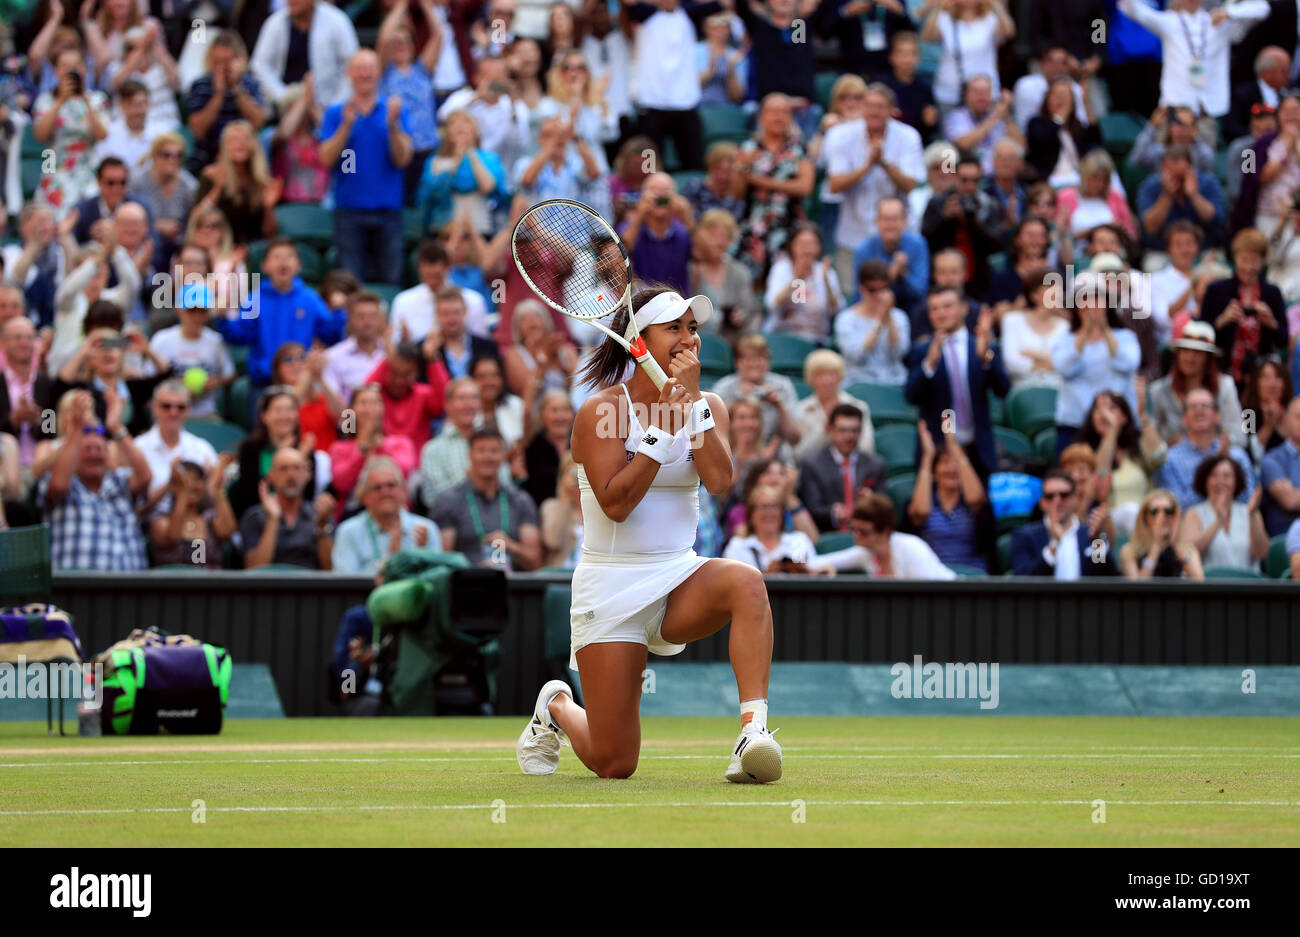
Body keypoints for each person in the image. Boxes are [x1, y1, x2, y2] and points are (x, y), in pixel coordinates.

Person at [515, 284, 784, 785]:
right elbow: (615, 505)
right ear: (638, 342)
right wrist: (662, 428)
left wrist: (693, 406)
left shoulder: (711, 406)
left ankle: (753, 733)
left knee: (746, 582)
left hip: (678, 576)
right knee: (616, 762)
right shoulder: (600, 412)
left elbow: (722, 482)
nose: (689, 340)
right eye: (674, 329)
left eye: (693, 329)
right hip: (611, 586)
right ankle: (555, 706)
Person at [213, 237, 346, 411]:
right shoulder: (255, 298)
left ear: (298, 265)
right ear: (265, 265)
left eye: (289, 257)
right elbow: (239, 336)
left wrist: (338, 313)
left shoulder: (310, 299)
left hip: (302, 383)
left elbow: (329, 336)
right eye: (276, 257)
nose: (283, 262)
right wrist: (223, 319)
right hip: (264, 384)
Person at [318, 49, 413, 285]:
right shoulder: (335, 112)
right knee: (350, 283)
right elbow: (326, 159)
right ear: (349, 73)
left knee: (391, 280)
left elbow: (402, 159)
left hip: (388, 211)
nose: (365, 74)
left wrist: (392, 125)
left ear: (379, 72)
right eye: (359, 68)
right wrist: (345, 126)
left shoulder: (395, 110)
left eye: (370, 67)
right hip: (348, 211)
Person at [38, 384, 151, 571]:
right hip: (76, 590)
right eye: (87, 449)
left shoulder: (118, 481)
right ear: (74, 455)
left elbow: (145, 477)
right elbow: (57, 486)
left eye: (99, 449)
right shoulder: (64, 483)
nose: (94, 454)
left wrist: (116, 426)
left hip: (131, 589)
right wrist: (76, 431)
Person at [1117, 0, 1268, 140]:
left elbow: (1263, 9)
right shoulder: (1170, 22)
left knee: (1204, 165)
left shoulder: (1218, 24)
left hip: (1206, 114)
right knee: (1171, 160)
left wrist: (1229, 13)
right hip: (1174, 112)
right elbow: (1130, 8)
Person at [825, 82, 924, 287]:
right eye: (869, 105)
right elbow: (834, 184)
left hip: (897, 238)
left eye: (880, 106)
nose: (874, 111)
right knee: (853, 297)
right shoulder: (840, 135)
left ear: (891, 110)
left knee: (898, 297)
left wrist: (884, 163)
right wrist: (867, 166)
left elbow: (911, 184)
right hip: (853, 236)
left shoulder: (908, 136)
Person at [906, 285, 1009, 479]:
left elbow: (1003, 389)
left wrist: (986, 357)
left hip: (977, 449)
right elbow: (911, 396)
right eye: (934, 308)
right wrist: (929, 365)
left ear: (964, 308)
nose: (941, 313)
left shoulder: (981, 345)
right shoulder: (922, 351)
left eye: (947, 306)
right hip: (939, 452)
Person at [1049, 274, 1141, 455]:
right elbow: (1065, 367)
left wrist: (1104, 327)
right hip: (1075, 424)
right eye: (1084, 300)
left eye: (1096, 299)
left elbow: (1129, 363)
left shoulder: (1125, 337)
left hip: (1120, 426)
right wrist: (1085, 330)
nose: (1091, 306)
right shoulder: (1065, 340)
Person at [430, 425, 541, 569]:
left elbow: (535, 562)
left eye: (494, 451)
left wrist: (511, 546)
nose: (488, 457)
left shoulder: (520, 500)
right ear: (469, 455)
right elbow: (442, 561)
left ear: (503, 456)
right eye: (481, 451)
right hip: (466, 585)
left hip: (512, 585)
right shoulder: (448, 501)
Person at [735, 93, 815, 279]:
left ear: (791, 117)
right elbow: (737, 192)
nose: (778, 117)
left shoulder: (800, 148)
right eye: (773, 112)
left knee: (788, 281)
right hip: (754, 228)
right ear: (761, 116)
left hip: (789, 228)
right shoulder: (748, 148)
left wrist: (759, 181)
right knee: (751, 281)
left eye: (784, 112)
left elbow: (805, 187)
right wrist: (741, 168)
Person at [228, 384, 331, 520]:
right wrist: (282, 454)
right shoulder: (250, 448)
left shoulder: (304, 450)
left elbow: (308, 496)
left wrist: (301, 460)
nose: (284, 416)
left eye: (290, 410)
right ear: (264, 416)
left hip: (296, 520)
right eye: (277, 410)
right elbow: (249, 493)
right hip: (258, 518)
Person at [52, 326, 175, 437]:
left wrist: (148, 350)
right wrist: (83, 353)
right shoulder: (83, 391)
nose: (108, 352)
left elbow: (167, 378)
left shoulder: (135, 388)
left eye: (113, 346)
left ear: (122, 355)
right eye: (101, 347)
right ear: (91, 359)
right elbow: (61, 385)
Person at [1202, 228, 1288, 387]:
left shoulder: (1272, 293)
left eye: (1254, 261)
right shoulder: (1216, 290)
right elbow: (1202, 334)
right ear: (1235, 259)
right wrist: (1222, 320)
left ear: (1263, 261)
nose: (1249, 267)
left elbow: (1283, 340)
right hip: (1223, 370)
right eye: (1244, 260)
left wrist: (1271, 323)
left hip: (1260, 376)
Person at [32, 47, 109, 219]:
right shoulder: (45, 100)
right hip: (51, 163)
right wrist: (60, 100)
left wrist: (84, 101)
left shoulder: (97, 99)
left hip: (87, 167)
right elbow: (40, 135)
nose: (71, 71)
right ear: (56, 71)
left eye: (76, 66)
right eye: (65, 66)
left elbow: (102, 135)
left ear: (84, 69)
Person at [377, 5, 442, 203]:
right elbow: (383, 38)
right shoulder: (384, 72)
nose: (401, 45)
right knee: (400, 203)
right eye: (396, 42)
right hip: (398, 151)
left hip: (427, 151)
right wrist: (402, 4)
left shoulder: (422, 70)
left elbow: (438, 34)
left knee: (425, 205)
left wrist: (425, 4)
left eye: (406, 41)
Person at [908, 418, 991, 572]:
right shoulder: (926, 501)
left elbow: (976, 498)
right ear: (934, 471)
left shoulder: (972, 502)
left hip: (972, 576)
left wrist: (953, 444)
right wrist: (928, 456)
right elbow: (919, 512)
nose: (952, 468)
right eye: (945, 462)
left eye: (956, 462)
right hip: (933, 576)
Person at [1080, 390, 1166, 539]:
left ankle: (1145, 558)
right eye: (1098, 409)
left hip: (1144, 519)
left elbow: (1159, 457)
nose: (1104, 414)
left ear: (1125, 417)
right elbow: (1099, 480)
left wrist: (1144, 415)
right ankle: (1102, 561)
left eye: (1111, 408)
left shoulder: (1136, 449)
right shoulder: (1083, 451)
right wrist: (1111, 431)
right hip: (1101, 522)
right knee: (1123, 516)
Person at [332, 455, 439, 575]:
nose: (385, 493)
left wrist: (423, 557)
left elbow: (437, 581)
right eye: (377, 488)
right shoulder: (348, 532)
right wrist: (388, 564)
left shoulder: (427, 529)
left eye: (391, 485)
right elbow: (345, 584)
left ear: (403, 492)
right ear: (365, 496)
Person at [250, 0, 360, 113]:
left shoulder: (337, 21)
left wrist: (334, 106)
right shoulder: (275, 22)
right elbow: (260, 65)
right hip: (284, 109)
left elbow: (352, 64)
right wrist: (282, 96)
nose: (291, 1)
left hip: (327, 106)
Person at [1156, 387, 1256, 510]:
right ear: (1184, 419)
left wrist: (1230, 467)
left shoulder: (1237, 456)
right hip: (1190, 527)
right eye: (1192, 407)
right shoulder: (1170, 459)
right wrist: (1213, 468)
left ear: (1217, 416)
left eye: (1205, 406)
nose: (1199, 411)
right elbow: (1176, 506)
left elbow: (1249, 501)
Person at [1148, 322, 1245, 448]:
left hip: (1214, 458)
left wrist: (1205, 441)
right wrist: (1171, 443)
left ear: (1208, 358)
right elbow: (1151, 440)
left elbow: (1239, 436)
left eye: (1198, 352)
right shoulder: (1158, 390)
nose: (1190, 357)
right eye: (1185, 350)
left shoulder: (1225, 387)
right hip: (1172, 460)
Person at [816, 491, 956, 578]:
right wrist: (797, 560)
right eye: (854, 529)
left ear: (884, 531)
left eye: (863, 531)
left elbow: (929, 596)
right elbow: (813, 562)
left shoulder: (912, 548)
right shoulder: (865, 553)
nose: (856, 535)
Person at [185, 30, 268, 177]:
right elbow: (197, 131)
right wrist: (218, 95)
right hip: (209, 154)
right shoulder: (200, 85)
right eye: (218, 62)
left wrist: (237, 88)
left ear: (239, 60)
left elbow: (259, 122)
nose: (222, 68)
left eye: (227, 62)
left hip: (243, 155)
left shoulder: (250, 84)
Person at [921, 152, 1004, 299]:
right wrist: (946, 219)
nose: (970, 186)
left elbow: (996, 245)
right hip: (942, 281)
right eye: (964, 180)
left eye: (975, 181)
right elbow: (926, 241)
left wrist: (972, 221)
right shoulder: (938, 202)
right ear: (954, 178)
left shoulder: (990, 205)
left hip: (978, 282)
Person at [239, 446, 337, 570]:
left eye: (297, 468)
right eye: (283, 469)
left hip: (311, 587)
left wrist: (322, 526)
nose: (291, 475)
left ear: (308, 474)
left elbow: (330, 571)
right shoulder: (254, 517)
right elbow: (254, 571)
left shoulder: (321, 514)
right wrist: (272, 520)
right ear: (271, 476)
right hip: (269, 587)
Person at [797, 403, 889, 533]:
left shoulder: (875, 464)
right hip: (827, 533)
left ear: (861, 431)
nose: (849, 436)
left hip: (866, 533)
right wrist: (832, 513)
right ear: (830, 430)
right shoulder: (813, 464)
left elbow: (885, 507)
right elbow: (812, 507)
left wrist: (872, 502)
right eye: (843, 430)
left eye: (854, 431)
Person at [418, 376, 510, 506]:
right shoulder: (433, 449)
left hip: (495, 513)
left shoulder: (494, 442)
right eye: (462, 398)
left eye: (473, 398)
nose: (468, 404)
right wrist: (472, 482)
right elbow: (433, 498)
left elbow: (506, 484)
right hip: (453, 519)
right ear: (448, 404)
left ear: (480, 404)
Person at [416, 110, 511, 234]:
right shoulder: (436, 161)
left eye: (465, 121)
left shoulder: (489, 158)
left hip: (479, 229)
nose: (459, 126)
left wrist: (471, 154)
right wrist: (455, 160)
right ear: (446, 132)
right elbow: (429, 193)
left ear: (475, 130)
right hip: (442, 230)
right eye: (453, 123)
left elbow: (488, 187)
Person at [1010, 470, 1117, 578]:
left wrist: (1097, 542)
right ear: (1042, 503)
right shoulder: (1024, 536)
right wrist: (1053, 545)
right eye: (1050, 496)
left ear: (1075, 499)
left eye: (1064, 495)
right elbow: (1023, 582)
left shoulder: (1091, 534)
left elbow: (1106, 579)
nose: (1057, 501)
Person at [328, 384, 418, 511]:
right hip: (354, 513)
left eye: (375, 402)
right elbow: (342, 483)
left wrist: (379, 445)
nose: (370, 409)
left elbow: (402, 473)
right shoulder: (340, 448)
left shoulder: (401, 443)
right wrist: (362, 447)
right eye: (364, 403)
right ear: (351, 410)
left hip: (395, 510)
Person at [132, 380, 219, 509]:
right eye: (166, 406)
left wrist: (210, 481)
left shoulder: (202, 448)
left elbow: (213, 504)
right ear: (154, 408)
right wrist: (172, 483)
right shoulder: (137, 448)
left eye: (180, 407)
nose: (174, 412)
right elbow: (135, 506)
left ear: (188, 409)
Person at [919, 0, 1014, 113]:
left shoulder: (990, 19)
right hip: (950, 91)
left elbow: (1009, 32)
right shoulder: (945, 19)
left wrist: (995, 5)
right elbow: (927, 36)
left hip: (984, 92)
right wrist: (939, 7)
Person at [711, 335, 802, 450]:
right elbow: (712, 433)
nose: (754, 364)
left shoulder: (782, 386)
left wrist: (779, 406)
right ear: (737, 362)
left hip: (774, 456)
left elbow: (795, 438)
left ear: (768, 361)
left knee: (776, 468)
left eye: (759, 358)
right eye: (748, 359)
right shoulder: (724, 387)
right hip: (733, 453)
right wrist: (736, 400)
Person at [391, 241, 492, 344]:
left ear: (448, 268)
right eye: (427, 275)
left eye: (436, 275)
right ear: (419, 269)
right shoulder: (403, 301)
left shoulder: (474, 300)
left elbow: (482, 343)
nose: (432, 282)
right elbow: (395, 343)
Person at [1181, 453, 1268, 572]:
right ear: (1205, 480)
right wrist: (1218, 522)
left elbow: (1261, 553)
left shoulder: (1249, 511)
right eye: (1213, 476)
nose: (1220, 481)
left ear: (1236, 481)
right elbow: (1188, 554)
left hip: (1247, 586)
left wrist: (1252, 516)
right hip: (1208, 587)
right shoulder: (1194, 513)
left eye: (1226, 476)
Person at [149, 456, 237, 568]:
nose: (191, 485)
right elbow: (172, 538)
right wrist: (182, 493)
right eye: (185, 480)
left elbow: (228, 531)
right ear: (173, 485)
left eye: (197, 479)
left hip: (211, 584)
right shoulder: (160, 519)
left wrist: (218, 489)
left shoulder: (209, 519)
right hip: (174, 584)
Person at [762, 225, 843, 344]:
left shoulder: (826, 272)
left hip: (816, 339)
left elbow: (836, 310)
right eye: (802, 244)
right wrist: (797, 279)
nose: (807, 249)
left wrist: (826, 282)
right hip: (783, 337)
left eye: (812, 244)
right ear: (792, 245)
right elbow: (772, 304)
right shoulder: (782, 269)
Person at [835, 259, 911, 386]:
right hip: (858, 384)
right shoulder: (846, 318)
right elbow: (856, 356)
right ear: (861, 288)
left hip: (894, 384)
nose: (878, 295)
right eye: (872, 290)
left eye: (883, 289)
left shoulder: (899, 317)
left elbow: (900, 352)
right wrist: (880, 322)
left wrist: (888, 316)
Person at [1137, 144, 1226, 252]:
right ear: (1162, 171)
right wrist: (1167, 196)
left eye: (1181, 176)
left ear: (1190, 169)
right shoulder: (1150, 187)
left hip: (1204, 252)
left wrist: (1194, 195)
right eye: (1172, 176)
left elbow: (1216, 221)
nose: (1177, 182)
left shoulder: (1208, 183)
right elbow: (1150, 227)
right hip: (1162, 252)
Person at [689, 209, 760, 344]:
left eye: (724, 237)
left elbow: (749, 309)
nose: (719, 242)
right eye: (712, 236)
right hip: (696, 342)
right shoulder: (691, 270)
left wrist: (740, 316)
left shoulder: (740, 272)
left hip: (732, 342)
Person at [618, 171, 694, 295]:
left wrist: (687, 219)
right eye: (654, 192)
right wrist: (639, 216)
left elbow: (703, 255)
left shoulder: (683, 231)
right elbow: (618, 256)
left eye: (665, 192)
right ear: (642, 196)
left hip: (677, 301)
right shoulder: (629, 228)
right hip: (641, 300)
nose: (659, 197)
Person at [363, 341, 446, 453]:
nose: (399, 381)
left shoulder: (423, 395)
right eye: (394, 374)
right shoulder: (377, 395)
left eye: (406, 375)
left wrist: (432, 359)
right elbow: (364, 394)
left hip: (416, 467)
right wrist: (386, 360)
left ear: (416, 372)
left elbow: (445, 402)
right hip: (381, 464)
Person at [794, 349, 875, 463]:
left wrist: (845, 437)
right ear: (811, 378)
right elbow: (799, 456)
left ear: (840, 376)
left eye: (832, 374)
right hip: (815, 474)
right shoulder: (801, 410)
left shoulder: (859, 407)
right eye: (821, 375)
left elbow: (867, 449)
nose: (827, 380)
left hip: (852, 470)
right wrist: (825, 432)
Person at [722, 484, 826, 574]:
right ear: (751, 515)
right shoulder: (738, 546)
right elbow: (733, 583)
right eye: (764, 506)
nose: (770, 512)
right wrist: (766, 576)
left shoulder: (798, 541)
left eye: (775, 506)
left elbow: (814, 568)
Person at [850, 196, 929, 312]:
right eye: (886, 219)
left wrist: (903, 275)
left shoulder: (917, 244)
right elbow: (859, 296)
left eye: (895, 219)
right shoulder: (863, 250)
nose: (890, 225)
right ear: (877, 222)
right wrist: (891, 273)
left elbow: (920, 291)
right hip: (874, 310)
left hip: (910, 309)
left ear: (905, 221)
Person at [128, 133, 197, 255]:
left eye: (178, 155)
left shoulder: (189, 185)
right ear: (154, 156)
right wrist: (157, 226)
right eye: (166, 155)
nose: (173, 159)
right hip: (144, 240)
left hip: (179, 242)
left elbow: (194, 218)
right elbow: (128, 216)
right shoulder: (137, 182)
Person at [999, 270, 1067, 390]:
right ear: (1033, 294)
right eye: (1049, 288)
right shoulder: (1012, 320)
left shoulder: (1065, 326)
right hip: (1024, 391)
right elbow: (1012, 363)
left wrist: (1034, 354)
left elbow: (1066, 365)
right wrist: (1050, 362)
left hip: (1060, 390)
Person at [1118, 488, 1205, 580]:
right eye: (1155, 511)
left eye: (1168, 511)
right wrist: (1156, 546)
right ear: (1145, 517)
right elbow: (1138, 590)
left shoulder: (1188, 550)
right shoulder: (1129, 551)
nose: (1162, 517)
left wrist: (1176, 544)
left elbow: (1199, 583)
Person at [944, 75, 1022, 175]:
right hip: (968, 177)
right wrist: (995, 116)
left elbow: (1021, 146)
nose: (981, 96)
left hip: (998, 176)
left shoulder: (1001, 115)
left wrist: (1005, 115)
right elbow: (964, 144)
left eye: (985, 92)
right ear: (966, 95)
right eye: (976, 92)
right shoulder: (956, 116)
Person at [522, 389, 575, 509]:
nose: (560, 416)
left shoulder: (582, 444)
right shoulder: (532, 445)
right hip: (540, 513)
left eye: (565, 410)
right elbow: (526, 414)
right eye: (554, 410)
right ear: (542, 416)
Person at [1130, 105, 1216, 175]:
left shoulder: (1198, 150)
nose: (1181, 130)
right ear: (1170, 128)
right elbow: (1137, 159)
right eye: (1177, 124)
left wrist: (1195, 137)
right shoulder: (1161, 151)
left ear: (1193, 128)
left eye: (1185, 125)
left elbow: (1208, 161)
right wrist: (1152, 127)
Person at [1260, 395, 1300, 536]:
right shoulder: (1272, 459)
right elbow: (1289, 500)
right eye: (1298, 417)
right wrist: (1293, 496)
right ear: (1286, 420)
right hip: (1284, 541)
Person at [1241, 356, 1292, 465]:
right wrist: (1268, 426)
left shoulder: (1294, 412)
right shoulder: (1248, 413)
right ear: (1257, 383)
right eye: (1265, 378)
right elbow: (1247, 455)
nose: (1272, 384)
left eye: (1277, 377)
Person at [540, 453, 584, 568]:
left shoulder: (598, 510)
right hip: (561, 577)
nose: (577, 477)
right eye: (573, 472)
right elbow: (552, 541)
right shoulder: (551, 507)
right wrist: (566, 497)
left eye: (581, 471)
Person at [681, 143, 746, 220]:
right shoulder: (695, 187)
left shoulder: (740, 192)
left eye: (728, 170)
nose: (722, 177)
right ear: (709, 168)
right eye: (717, 168)